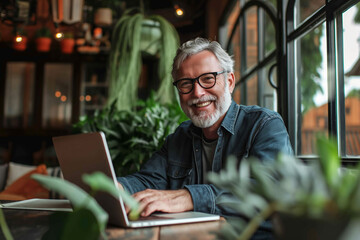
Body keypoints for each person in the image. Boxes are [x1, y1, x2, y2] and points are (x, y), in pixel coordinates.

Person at [117, 37, 293, 237]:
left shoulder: (264, 124)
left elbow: (270, 190)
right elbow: (148, 180)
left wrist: (189, 197)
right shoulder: (179, 137)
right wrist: (117, 187)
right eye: (185, 83)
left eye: (208, 78)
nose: (197, 92)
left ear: (229, 81)